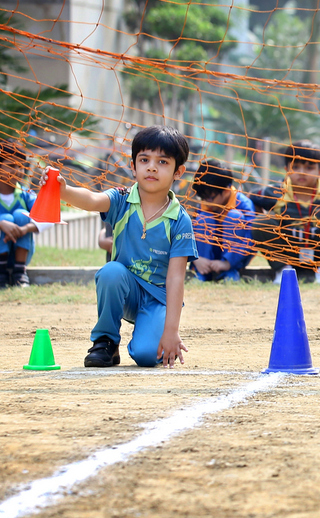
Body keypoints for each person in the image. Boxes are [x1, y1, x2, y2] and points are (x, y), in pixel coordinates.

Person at [52, 126, 198, 368]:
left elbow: (175, 279)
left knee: (147, 355)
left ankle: (147, 333)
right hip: (126, 290)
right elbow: (91, 199)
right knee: (111, 271)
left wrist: (171, 331)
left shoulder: (180, 220)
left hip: (157, 298)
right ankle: (106, 342)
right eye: (144, 160)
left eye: (162, 161)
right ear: (133, 166)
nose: (151, 167)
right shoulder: (120, 199)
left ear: (178, 172)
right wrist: (63, 190)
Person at [249, 141, 320, 284]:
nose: (302, 172)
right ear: (286, 169)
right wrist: (258, 216)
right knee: (261, 221)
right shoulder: (276, 191)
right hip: (289, 250)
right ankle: (283, 271)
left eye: (309, 168)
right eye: (296, 167)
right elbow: (251, 197)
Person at [190, 159, 255, 282]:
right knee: (204, 219)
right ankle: (202, 273)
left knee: (234, 217)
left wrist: (228, 263)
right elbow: (190, 234)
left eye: (210, 197)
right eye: (203, 197)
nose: (206, 201)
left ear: (225, 191)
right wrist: (196, 259)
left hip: (235, 258)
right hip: (206, 259)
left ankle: (230, 272)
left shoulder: (243, 204)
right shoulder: (205, 206)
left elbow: (251, 238)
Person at [0, 139, 48, 287]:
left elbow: (47, 218)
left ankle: (20, 273)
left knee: (22, 214)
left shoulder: (26, 194)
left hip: (20, 254)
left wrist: (24, 229)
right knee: (5, 218)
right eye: (11, 166)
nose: (17, 171)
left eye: (21, 166)